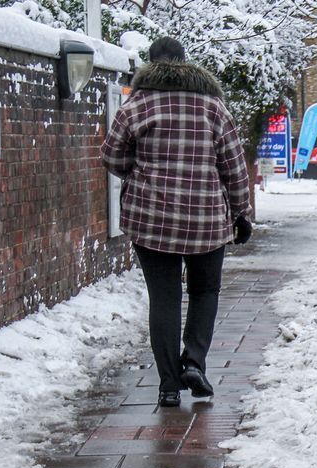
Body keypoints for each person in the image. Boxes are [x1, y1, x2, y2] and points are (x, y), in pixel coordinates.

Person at [100, 37, 252, 407]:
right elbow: (233, 166)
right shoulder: (213, 107)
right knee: (205, 291)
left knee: (164, 298)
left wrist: (136, 175)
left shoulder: (135, 105)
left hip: (150, 219)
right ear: (185, 62)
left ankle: (169, 383)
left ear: (150, 65)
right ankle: (194, 363)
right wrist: (241, 212)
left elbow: (111, 155)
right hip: (206, 220)